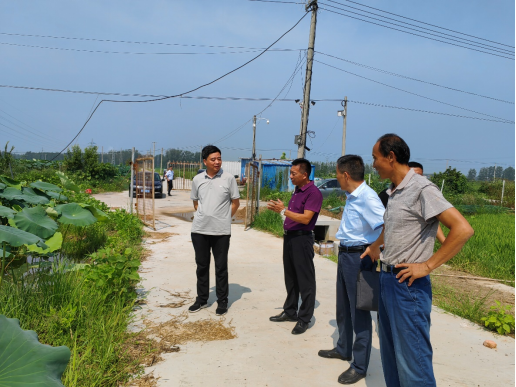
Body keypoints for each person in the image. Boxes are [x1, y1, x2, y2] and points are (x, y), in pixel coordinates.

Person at [363, 134, 474, 387]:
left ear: (390, 157)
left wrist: (427, 266)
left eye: (375, 158)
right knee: (391, 359)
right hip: (387, 280)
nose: (373, 164)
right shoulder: (393, 192)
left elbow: (463, 229)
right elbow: (394, 228)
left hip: (408, 288)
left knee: (414, 364)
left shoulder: (422, 189)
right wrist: (377, 246)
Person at [318, 155, 385, 385]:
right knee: (343, 307)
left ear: (346, 175)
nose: (337, 180)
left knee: (359, 312)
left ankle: (359, 365)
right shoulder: (352, 196)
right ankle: (344, 348)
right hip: (346, 254)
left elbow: (385, 226)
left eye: (337, 176)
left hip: (359, 257)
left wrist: (375, 248)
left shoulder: (368, 198)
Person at [268, 158, 323, 335]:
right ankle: (290, 311)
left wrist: (284, 211)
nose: (290, 176)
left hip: (302, 239)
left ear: (304, 174)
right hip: (290, 239)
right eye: (290, 173)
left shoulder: (313, 193)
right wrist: (282, 211)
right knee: (290, 277)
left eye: (293, 173)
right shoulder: (297, 191)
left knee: (305, 280)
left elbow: (306, 218)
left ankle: (304, 318)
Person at [188, 146, 240, 317]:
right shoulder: (197, 179)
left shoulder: (229, 178)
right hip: (199, 230)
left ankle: (222, 301)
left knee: (220, 267)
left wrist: (224, 218)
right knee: (202, 266)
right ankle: (202, 299)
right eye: (213, 159)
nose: (217, 162)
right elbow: (196, 203)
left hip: (221, 231)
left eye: (219, 158)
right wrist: (204, 215)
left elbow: (235, 203)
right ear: (205, 161)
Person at [379, 161, 446, 244]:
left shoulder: (423, 193)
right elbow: (382, 222)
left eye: (419, 176)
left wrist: (444, 242)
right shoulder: (386, 195)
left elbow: (432, 217)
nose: (415, 179)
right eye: (412, 175)